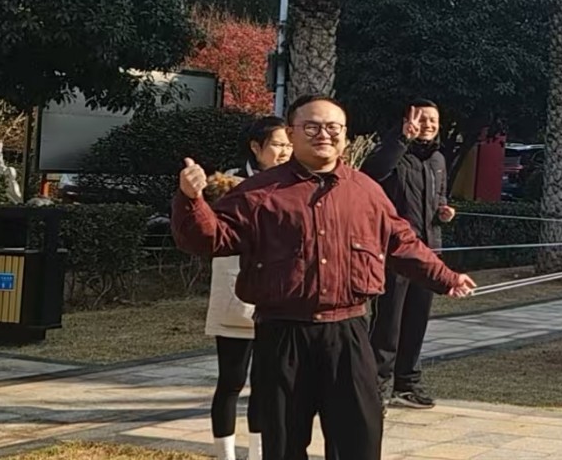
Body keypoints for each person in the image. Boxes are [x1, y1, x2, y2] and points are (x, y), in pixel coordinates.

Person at [172, 95, 477, 460]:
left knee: (359, 441)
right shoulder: (258, 192)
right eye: (312, 127)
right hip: (282, 334)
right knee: (284, 446)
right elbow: (210, 239)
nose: (324, 135)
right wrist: (190, 200)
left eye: (333, 127)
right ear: (291, 134)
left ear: (345, 135)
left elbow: (402, 243)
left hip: (348, 333)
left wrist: (446, 277)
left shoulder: (365, 190)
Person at [203, 116, 291, 460]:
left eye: (289, 145)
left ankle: (258, 453)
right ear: (256, 147)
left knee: (267, 384)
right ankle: (225, 455)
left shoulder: (294, 183)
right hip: (236, 294)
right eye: (278, 144)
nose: (285, 152)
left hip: (278, 298)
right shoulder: (229, 186)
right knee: (231, 380)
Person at [360, 99, 455, 410]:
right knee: (388, 322)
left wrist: (444, 211)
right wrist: (402, 139)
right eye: (422, 119)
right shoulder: (394, 152)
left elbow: (439, 197)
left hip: (428, 252)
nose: (428, 125)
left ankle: (407, 384)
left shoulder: (438, 159)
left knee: (417, 321)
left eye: (433, 120)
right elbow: (370, 174)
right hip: (395, 252)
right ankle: (376, 386)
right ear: (406, 120)